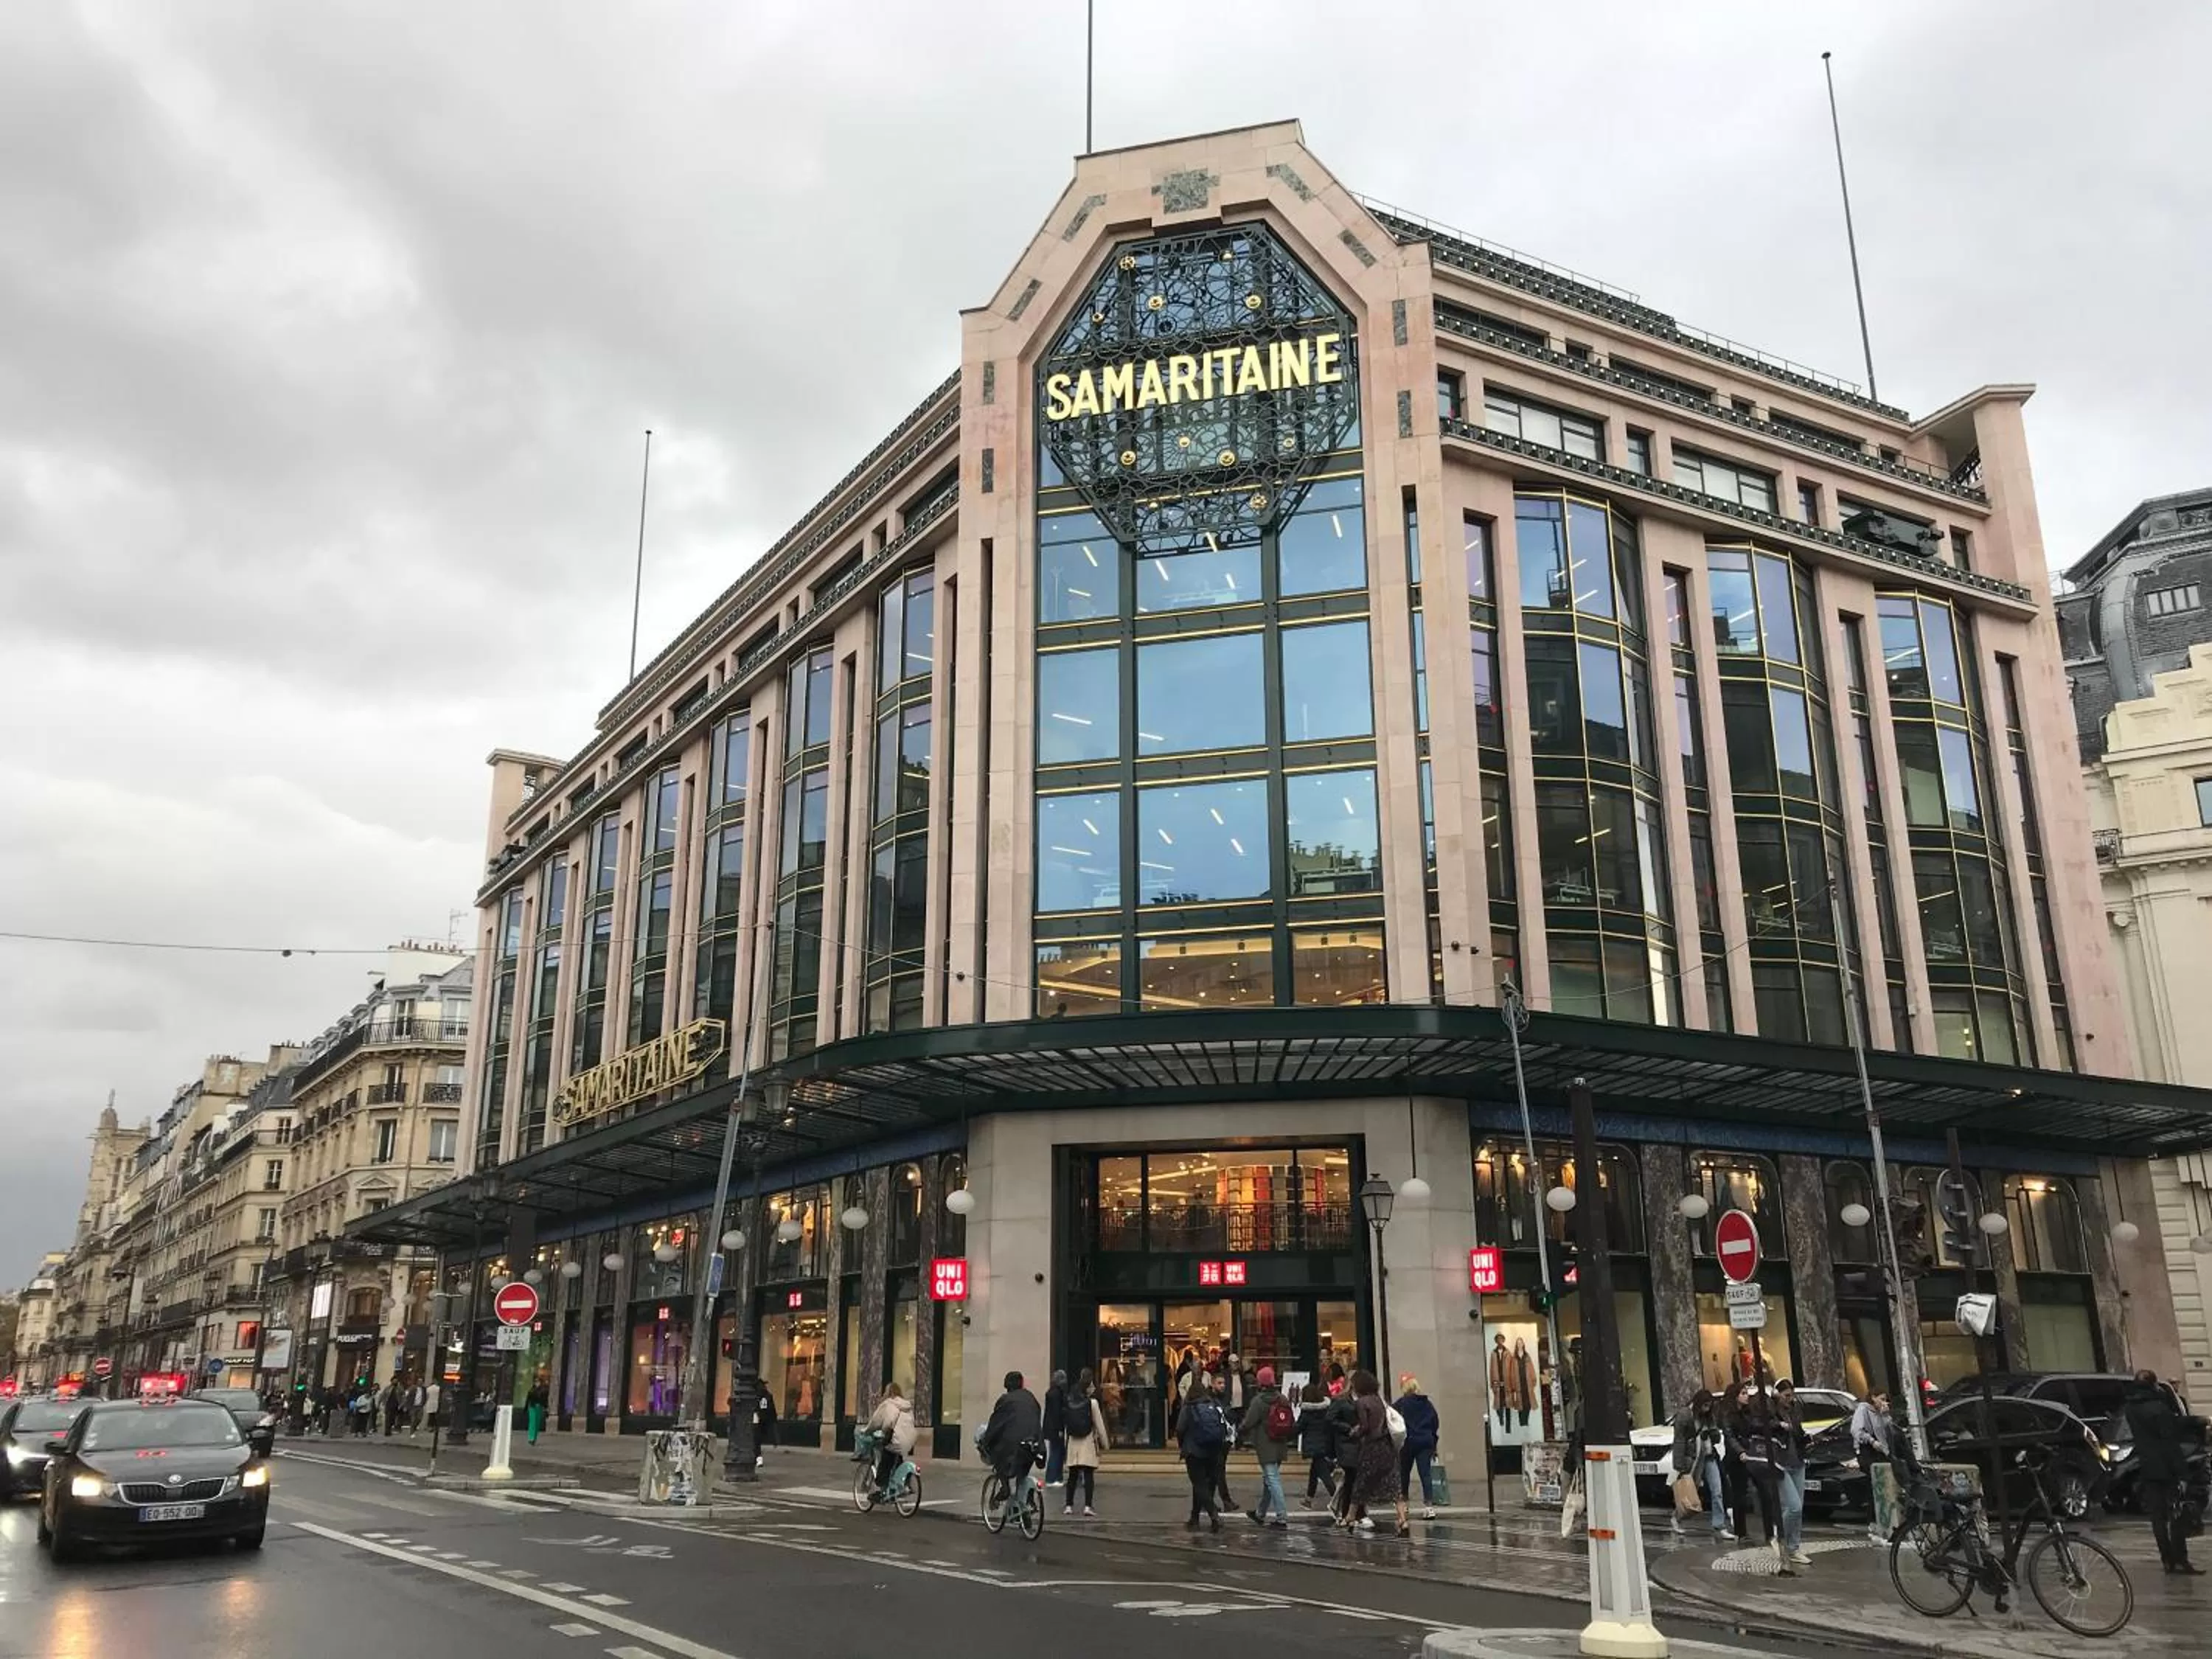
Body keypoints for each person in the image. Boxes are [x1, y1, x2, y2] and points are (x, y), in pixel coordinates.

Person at [2123, 1369, 2203, 1575]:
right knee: (2176, 1514)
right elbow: (2170, 1443)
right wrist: (2182, 1474)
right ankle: (2181, 1560)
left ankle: (2167, 1560)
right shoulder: (2159, 1408)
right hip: (2168, 1468)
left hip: (2147, 1467)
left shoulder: (2131, 1409)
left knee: (2157, 1518)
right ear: (2153, 1385)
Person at [1338, 1369, 1397, 1534]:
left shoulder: (1362, 1403)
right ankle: (1402, 1519)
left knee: (1360, 1484)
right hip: (1385, 1446)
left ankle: (1350, 1516)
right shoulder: (1379, 1400)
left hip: (1370, 1447)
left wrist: (1354, 1432)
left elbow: (1365, 1427)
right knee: (1393, 1485)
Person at [978, 1370, 1043, 1517]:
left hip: (1012, 1445)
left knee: (1001, 1462)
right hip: (1033, 1443)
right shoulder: (1031, 1397)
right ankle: (1027, 1501)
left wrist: (987, 1442)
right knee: (1023, 1472)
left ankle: (1005, 1489)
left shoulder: (1005, 1400)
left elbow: (996, 1424)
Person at [1670, 1390, 1730, 1542]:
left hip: (1709, 1457)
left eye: (1709, 1406)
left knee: (1717, 1491)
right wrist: (1680, 1465)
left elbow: (1716, 1436)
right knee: (1690, 1492)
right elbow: (1679, 1441)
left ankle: (1720, 1525)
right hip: (1693, 1459)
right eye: (1705, 1405)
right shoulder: (1686, 1415)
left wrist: (1713, 1435)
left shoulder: (1709, 1417)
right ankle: (1677, 1517)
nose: (1707, 1408)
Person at [1176, 1366, 1230, 1530]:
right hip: (1212, 1450)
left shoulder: (1189, 1407)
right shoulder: (1213, 1403)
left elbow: (1179, 1428)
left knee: (1199, 1484)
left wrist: (1182, 1445)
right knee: (1203, 1485)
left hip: (1194, 1451)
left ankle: (1214, 1514)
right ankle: (1195, 1517)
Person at [1239, 1366, 1293, 1527]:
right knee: (1269, 1479)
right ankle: (1260, 1512)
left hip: (1265, 1443)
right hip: (1280, 1443)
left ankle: (1282, 1516)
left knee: (1273, 1479)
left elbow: (1248, 1422)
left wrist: (1239, 1431)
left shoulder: (1258, 1401)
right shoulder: (1283, 1399)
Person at [1393, 1375, 1441, 1526]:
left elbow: (1392, 1420)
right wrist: (1433, 1442)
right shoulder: (1427, 1404)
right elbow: (1435, 1422)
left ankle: (1405, 1504)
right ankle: (1429, 1507)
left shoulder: (1401, 1404)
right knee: (1425, 1474)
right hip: (1425, 1441)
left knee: (1404, 1474)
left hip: (1407, 1442)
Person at [1849, 1389, 1895, 1543]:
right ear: (1873, 1397)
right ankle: (1873, 1522)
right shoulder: (1863, 1410)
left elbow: (1887, 1432)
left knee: (1882, 1484)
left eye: (1886, 1399)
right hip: (1868, 1451)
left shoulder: (1881, 1414)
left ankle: (1883, 1521)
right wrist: (1871, 1441)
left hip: (1882, 1451)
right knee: (1873, 1484)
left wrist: (1885, 1415)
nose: (1883, 1402)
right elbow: (1857, 1430)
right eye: (1881, 1399)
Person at [1061, 1366, 1107, 1517]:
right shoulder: (1092, 1403)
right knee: (1088, 1476)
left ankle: (1068, 1505)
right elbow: (1099, 1425)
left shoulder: (1069, 1400)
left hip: (1073, 1442)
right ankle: (1088, 1506)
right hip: (1087, 1442)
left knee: (1072, 1476)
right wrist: (1105, 1444)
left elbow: (1066, 1422)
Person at [863, 1383, 917, 1498]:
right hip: (909, 1441)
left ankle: (880, 1489)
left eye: (886, 1392)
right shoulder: (906, 1405)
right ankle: (904, 1484)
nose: (884, 1394)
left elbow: (876, 1422)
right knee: (898, 1458)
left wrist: (866, 1431)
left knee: (886, 1460)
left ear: (891, 1393)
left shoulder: (888, 1404)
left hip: (894, 1439)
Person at [1297, 1377, 1338, 1509]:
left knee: (1325, 1477)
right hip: (1325, 1445)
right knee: (1314, 1472)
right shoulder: (1326, 1410)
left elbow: (1298, 1428)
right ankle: (1308, 1499)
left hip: (1315, 1447)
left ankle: (1339, 1501)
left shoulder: (1307, 1413)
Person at [1041, 1369, 1069, 1489]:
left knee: (1056, 1452)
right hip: (1056, 1428)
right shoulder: (1057, 1394)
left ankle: (1054, 1477)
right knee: (1057, 1453)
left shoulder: (1051, 1392)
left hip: (1050, 1428)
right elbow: (1057, 1413)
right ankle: (1053, 1478)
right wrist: (1060, 1429)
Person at [525, 1373, 550, 1445]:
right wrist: (526, 1407)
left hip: (539, 1407)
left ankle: (534, 1438)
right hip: (532, 1407)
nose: (537, 1383)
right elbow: (528, 1399)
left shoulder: (543, 1390)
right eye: (536, 1382)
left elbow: (545, 1400)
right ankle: (531, 1438)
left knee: (537, 1423)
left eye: (538, 1382)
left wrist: (546, 1408)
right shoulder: (532, 1390)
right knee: (532, 1422)